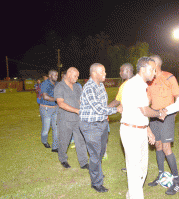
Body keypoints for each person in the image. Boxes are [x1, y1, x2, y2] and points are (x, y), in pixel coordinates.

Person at [120, 56, 165, 199]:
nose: (155, 73)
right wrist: (159, 114)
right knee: (134, 169)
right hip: (131, 131)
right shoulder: (135, 85)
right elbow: (145, 111)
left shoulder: (142, 85)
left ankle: (131, 195)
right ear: (143, 69)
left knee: (142, 169)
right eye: (152, 69)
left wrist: (148, 131)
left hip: (140, 129)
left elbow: (139, 113)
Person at [79, 63, 122, 193]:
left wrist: (107, 115)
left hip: (101, 123)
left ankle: (96, 171)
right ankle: (96, 183)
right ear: (94, 73)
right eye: (102, 72)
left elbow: (103, 105)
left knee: (101, 153)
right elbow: (98, 108)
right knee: (95, 154)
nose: (105, 74)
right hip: (90, 125)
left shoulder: (101, 85)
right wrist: (116, 109)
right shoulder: (89, 87)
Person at [146, 55, 179, 195]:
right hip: (154, 115)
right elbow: (147, 100)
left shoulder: (169, 77)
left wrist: (168, 112)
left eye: (149, 63)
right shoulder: (150, 81)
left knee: (166, 147)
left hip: (167, 115)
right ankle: (161, 175)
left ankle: (177, 181)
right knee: (158, 145)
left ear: (155, 64)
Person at [54, 67, 89, 169]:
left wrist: (84, 108)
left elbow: (80, 101)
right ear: (69, 74)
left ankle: (83, 162)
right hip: (65, 119)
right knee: (64, 141)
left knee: (81, 140)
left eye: (77, 76)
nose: (77, 78)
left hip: (78, 119)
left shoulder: (77, 87)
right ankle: (63, 159)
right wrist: (76, 110)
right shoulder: (60, 86)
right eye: (75, 76)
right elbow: (60, 103)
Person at [108, 63, 134, 171]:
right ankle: (131, 166)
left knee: (130, 145)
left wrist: (105, 109)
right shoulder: (137, 82)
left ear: (127, 71)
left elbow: (117, 101)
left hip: (131, 120)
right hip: (135, 120)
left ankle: (132, 167)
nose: (119, 73)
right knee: (131, 146)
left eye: (121, 71)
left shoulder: (128, 84)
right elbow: (120, 101)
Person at [40, 70, 59, 152]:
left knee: (56, 128)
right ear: (50, 76)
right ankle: (44, 141)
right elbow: (45, 97)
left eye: (57, 75)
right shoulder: (45, 83)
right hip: (46, 109)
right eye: (55, 75)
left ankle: (55, 147)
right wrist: (57, 100)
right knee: (46, 129)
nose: (56, 77)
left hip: (56, 108)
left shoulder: (57, 84)